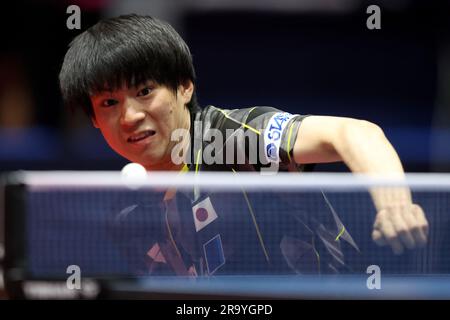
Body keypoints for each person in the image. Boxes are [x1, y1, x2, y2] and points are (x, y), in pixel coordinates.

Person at [59, 14, 428, 276]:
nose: (130, 116)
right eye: (109, 103)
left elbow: (355, 133)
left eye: (144, 91)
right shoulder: (128, 215)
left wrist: (395, 204)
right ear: (93, 119)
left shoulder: (236, 137)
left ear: (184, 87)